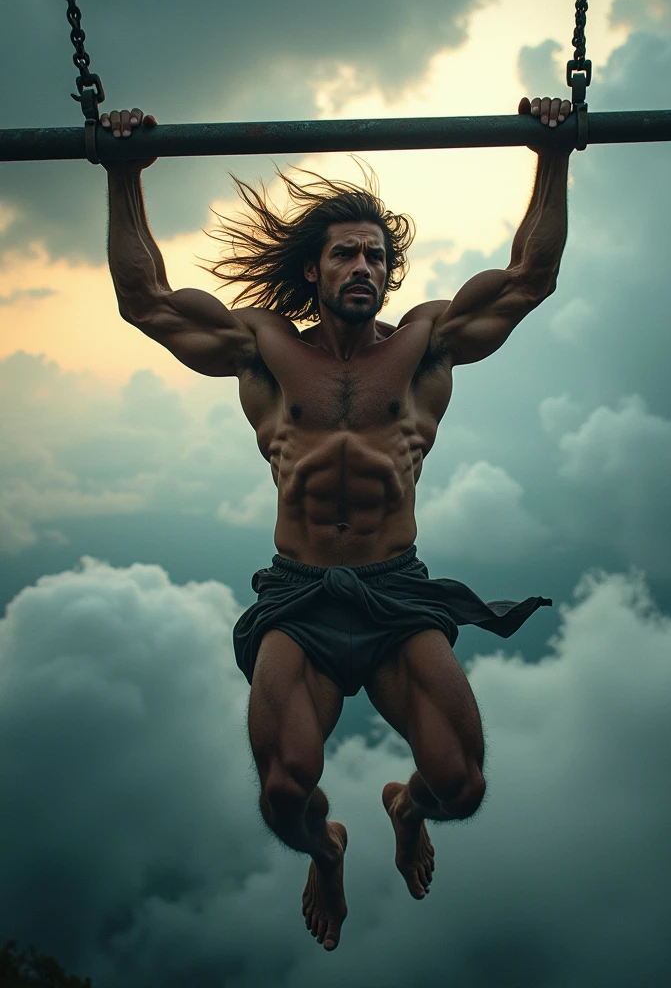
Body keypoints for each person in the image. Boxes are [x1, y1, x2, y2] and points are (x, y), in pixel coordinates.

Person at [102, 95, 572, 952]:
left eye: (377, 256)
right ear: (314, 272)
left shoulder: (427, 342)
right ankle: (327, 851)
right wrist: (124, 172)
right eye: (346, 253)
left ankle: (404, 807)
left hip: (395, 592)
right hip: (302, 598)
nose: (364, 264)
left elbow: (529, 279)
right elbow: (148, 301)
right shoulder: (262, 349)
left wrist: (554, 148)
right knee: (286, 792)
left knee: (459, 784)